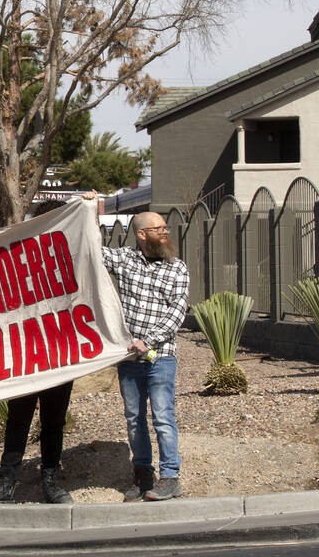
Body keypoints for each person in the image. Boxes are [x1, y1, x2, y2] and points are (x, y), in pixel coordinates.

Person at [85, 192, 189, 501]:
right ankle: (143, 476)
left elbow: (177, 312)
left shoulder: (177, 268)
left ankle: (170, 477)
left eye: (165, 228)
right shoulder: (125, 258)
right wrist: (94, 209)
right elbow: (92, 249)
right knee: (134, 418)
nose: (165, 232)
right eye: (158, 228)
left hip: (161, 357)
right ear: (141, 234)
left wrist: (149, 341)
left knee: (162, 416)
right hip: (130, 358)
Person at [0, 199, 74, 505]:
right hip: (26, 352)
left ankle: (50, 481)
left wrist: (89, 207)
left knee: (53, 420)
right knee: (19, 417)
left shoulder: (72, 255)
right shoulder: (19, 256)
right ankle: (7, 481)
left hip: (60, 350)